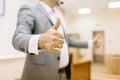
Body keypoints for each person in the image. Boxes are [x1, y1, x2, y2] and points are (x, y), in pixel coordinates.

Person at [12, 0, 100, 80]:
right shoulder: (30, 9)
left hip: (63, 74)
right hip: (40, 75)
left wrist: (91, 43)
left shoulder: (57, 15)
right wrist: (39, 41)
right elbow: (18, 38)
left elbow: (67, 40)